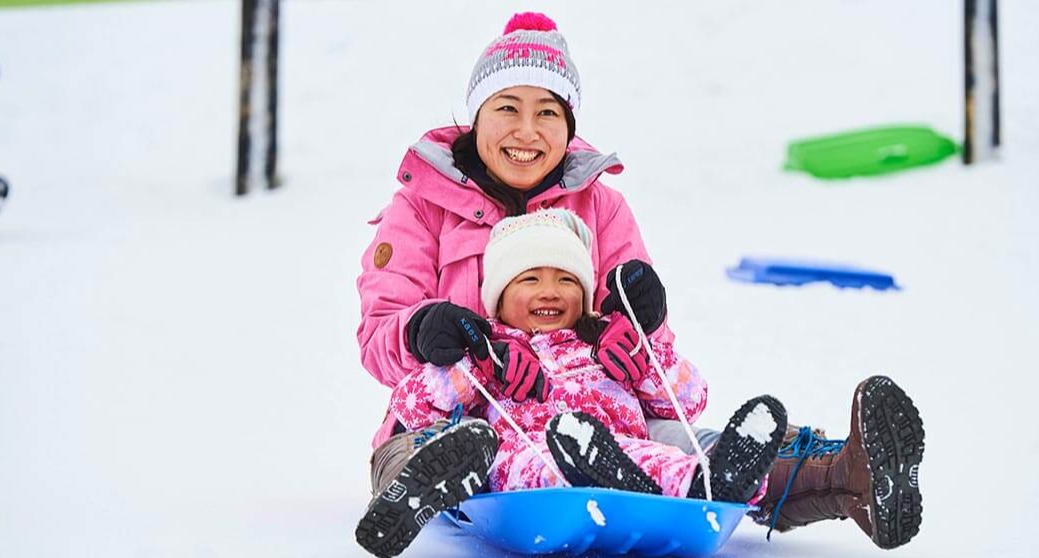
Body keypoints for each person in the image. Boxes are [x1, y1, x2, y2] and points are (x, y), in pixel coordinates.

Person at [354, 9, 925, 555]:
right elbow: (379, 339)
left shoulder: (601, 207)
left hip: (595, 413)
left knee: (688, 444)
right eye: (508, 107)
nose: (527, 131)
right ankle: (416, 490)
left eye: (548, 112)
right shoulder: (422, 208)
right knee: (437, 448)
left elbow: (654, 363)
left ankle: (846, 475)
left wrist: (637, 322)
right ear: (477, 114)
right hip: (459, 414)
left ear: (569, 124)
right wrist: (422, 329)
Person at [358, 210, 789, 556]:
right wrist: (469, 372)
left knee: (657, 458)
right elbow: (411, 408)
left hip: (613, 446)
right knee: (528, 461)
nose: (550, 291)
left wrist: (646, 359)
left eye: (566, 279)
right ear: (498, 297)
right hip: (527, 453)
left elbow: (691, 399)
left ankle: (719, 481)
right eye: (530, 279)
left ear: (585, 293)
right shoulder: (486, 351)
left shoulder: (606, 341)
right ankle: (591, 475)